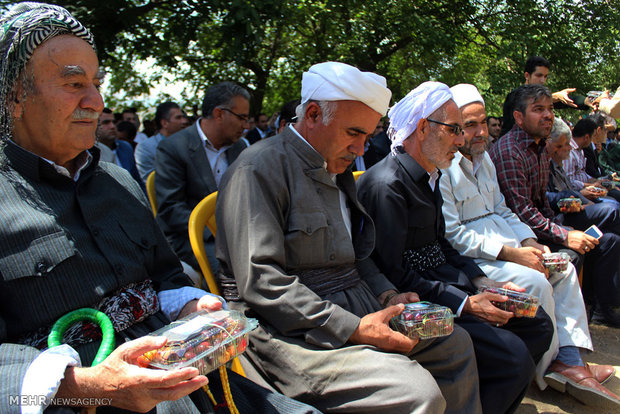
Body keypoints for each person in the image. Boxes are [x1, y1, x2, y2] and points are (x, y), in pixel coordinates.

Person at [0, 4, 321, 413]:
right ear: (15, 97)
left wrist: (189, 304)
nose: (96, 102)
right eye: (74, 83)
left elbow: (165, 277)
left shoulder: (117, 182)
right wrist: (87, 386)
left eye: (96, 83)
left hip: (183, 375)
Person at [216, 62, 483, 413]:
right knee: (416, 392)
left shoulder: (336, 167)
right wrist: (354, 328)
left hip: (357, 305)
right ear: (312, 114)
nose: (361, 150)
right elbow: (262, 283)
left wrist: (388, 294)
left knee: (454, 344)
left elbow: (356, 257)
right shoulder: (257, 169)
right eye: (353, 133)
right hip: (288, 331)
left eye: (367, 137)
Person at [357, 81, 553, 414]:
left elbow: (443, 244)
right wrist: (466, 305)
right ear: (422, 128)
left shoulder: (429, 174)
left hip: (453, 285)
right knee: (512, 357)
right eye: (454, 129)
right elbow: (394, 272)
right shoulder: (386, 185)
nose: (462, 140)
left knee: (537, 321)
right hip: (424, 300)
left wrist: (482, 283)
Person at [440, 84, 618, 407]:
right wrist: (513, 253)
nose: (480, 132)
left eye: (483, 122)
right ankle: (549, 370)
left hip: (510, 243)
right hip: (480, 258)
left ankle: (571, 358)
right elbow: (454, 235)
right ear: (452, 127)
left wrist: (529, 241)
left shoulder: (485, 161)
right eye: (469, 126)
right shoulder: (444, 168)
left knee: (560, 266)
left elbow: (504, 209)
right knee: (537, 281)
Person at [489, 84, 620, 328]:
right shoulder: (511, 151)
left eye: (550, 108)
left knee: (609, 240)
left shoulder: (537, 147)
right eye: (538, 109)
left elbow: (542, 204)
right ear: (518, 117)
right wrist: (564, 236)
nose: (548, 115)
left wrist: (563, 228)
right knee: (571, 255)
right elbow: (521, 211)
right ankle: (559, 332)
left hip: (538, 228)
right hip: (517, 235)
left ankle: (601, 308)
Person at [155, 81, 250, 273]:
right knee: (234, 269)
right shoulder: (173, 148)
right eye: (241, 118)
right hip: (189, 237)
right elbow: (171, 209)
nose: (246, 126)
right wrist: (219, 232)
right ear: (219, 114)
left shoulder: (240, 147)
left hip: (234, 235)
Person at [501, 56, 595, 135]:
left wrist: (588, 101)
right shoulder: (514, 96)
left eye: (545, 76)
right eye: (539, 75)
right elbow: (531, 101)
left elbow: (567, 100)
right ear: (527, 75)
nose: (543, 80)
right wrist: (555, 97)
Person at [134, 101, 187, 181]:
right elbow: (152, 182)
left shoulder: (189, 144)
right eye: (178, 118)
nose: (184, 121)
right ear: (165, 123)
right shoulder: (145, 148)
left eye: (183, 117)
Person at [96, 108, 145, 191]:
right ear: (94, 125)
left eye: (114, 122)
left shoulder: (125, 147)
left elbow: (137, 180)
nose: (112, 126)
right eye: (106, 123)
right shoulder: (89, 152)